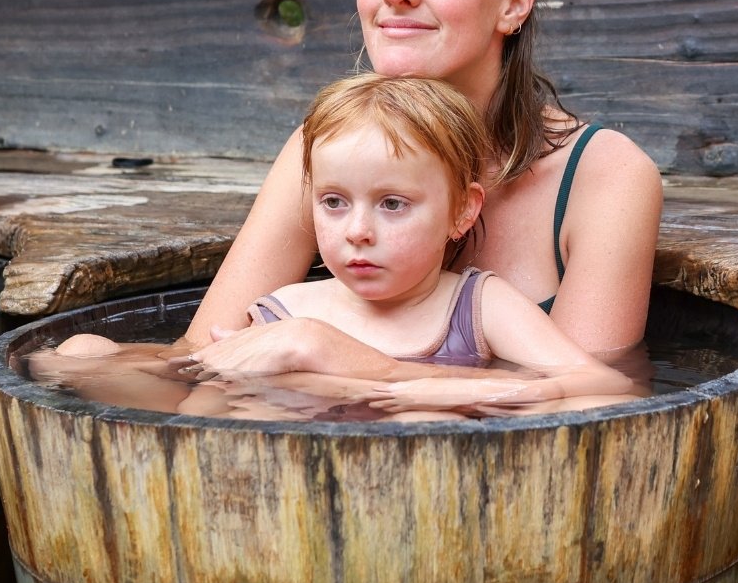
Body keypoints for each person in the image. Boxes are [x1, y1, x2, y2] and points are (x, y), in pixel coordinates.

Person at [182, 0, 662, 362]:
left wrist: (336, 354)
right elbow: (199, 358)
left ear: (514, 5)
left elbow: (597, 408)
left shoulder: (605, 176)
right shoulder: (324, 143)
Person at [188, 73, 636, 413]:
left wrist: (494, 391)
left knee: (423, 425)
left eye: (393, 204)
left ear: (462, 210)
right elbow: (197, 407)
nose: (357, 230)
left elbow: (603, 385)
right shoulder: (283, 314)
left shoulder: (478, 307)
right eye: (333, 202)